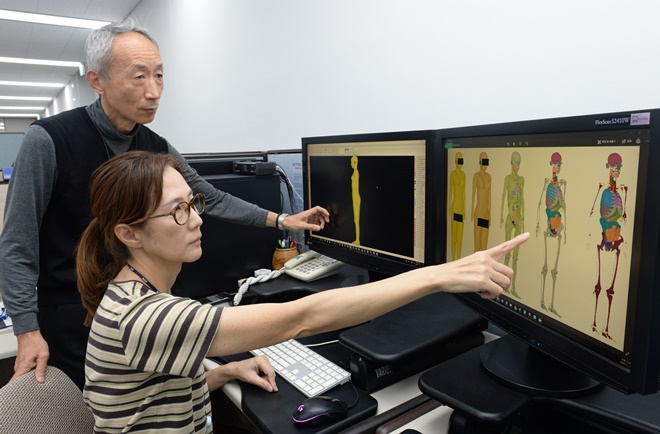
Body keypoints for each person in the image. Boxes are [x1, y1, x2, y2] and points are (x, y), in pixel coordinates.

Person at [77, 150, 530, 432]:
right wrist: (439, 275)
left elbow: (155, 397)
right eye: (177, 211)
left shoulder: (132, 294)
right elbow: (303, 318)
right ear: (129, 234)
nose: (196, 219)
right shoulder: (144, 317)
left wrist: (225, 372)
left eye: (193, 203)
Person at [0, 19, 329, 390]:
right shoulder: (49, 140)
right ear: (97, 81)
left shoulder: (155, 146)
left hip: (145, 306)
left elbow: (211, 198)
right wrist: (27, 329)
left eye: (159, 76)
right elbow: (17, 242)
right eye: (139, 77)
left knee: (161, 397)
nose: (154, 92)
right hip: (73, 313)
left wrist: (283, 220)